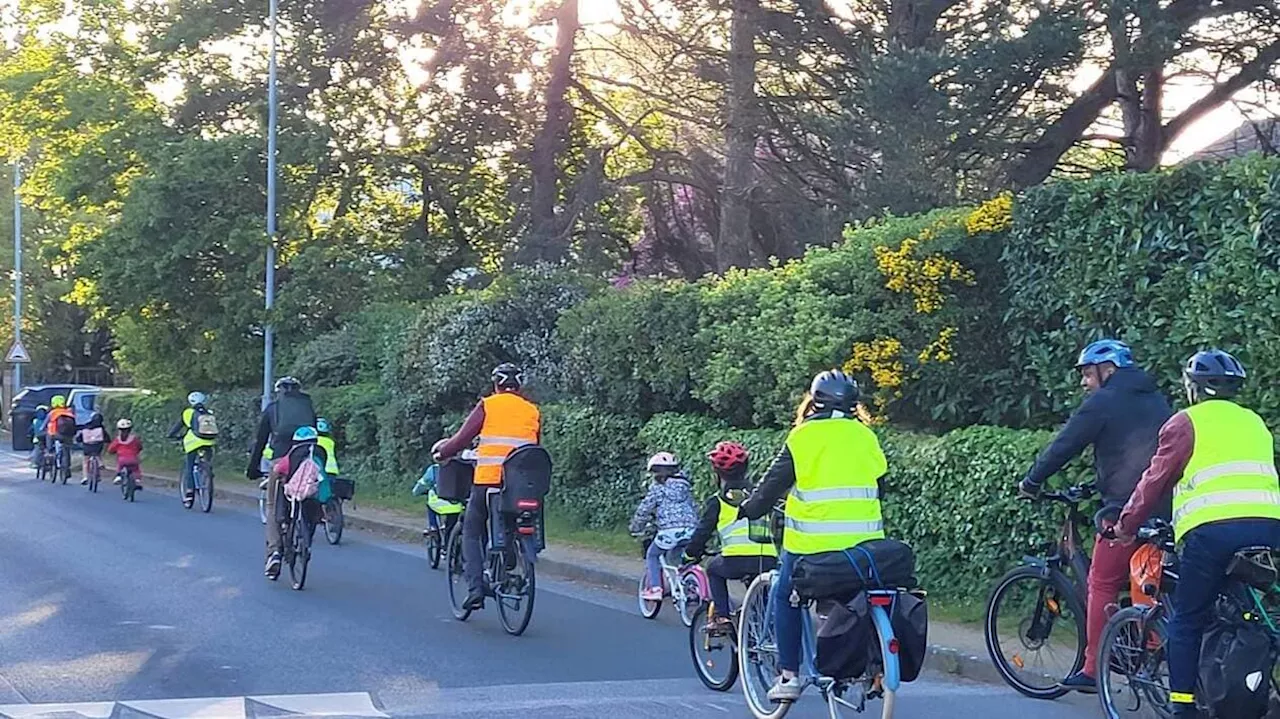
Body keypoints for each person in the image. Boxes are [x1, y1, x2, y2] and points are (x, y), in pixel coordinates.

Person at [1112, 349, 1280, 718]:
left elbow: (1154, 480)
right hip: (1269, 527)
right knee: (1247, 612)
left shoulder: (1184, 423)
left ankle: (1183, 706)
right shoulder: (1254, 422)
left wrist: (1126, 525)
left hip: (1213, 533)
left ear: (1193, 388)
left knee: (1188, 618)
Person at [1016, 338, 1173, 691]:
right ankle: (1147, 645)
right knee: (1146, 580)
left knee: (1100, 582)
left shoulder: (1103, 402)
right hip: (1166, 508)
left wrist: (1032, 481)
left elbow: (1064, 446)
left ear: (1109, 370)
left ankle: (1090, 670)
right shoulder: (1158, 399)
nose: (1084, 383)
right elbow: (1139, 453)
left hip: (1125, 511)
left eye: (1088, 373)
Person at [738, 369, 888, 701]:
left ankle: (789, 676)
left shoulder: (803, 438)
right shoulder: (867, 437)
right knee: (862, 593)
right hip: (866, 547)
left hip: (812, 547)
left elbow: (771, 487)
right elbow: (881, 486)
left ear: (814, 402)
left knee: (783, 594)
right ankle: (876, 669)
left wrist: (749, 508)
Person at [432, 363, 541, 610]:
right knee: (514, 520)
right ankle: (512, 561)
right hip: (522, 485)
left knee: (472, 528)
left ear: (496, 385)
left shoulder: (488, 405)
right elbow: (534, 448)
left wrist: (443, 453)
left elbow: (462, 439)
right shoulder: (532, 410)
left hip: (489, 480)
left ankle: (475, 588)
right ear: (519, 386)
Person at [684, 441, 778, 627]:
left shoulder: (718, 501)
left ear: (717, 473)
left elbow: (702, 533)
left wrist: (689, 554)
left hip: (734, 561)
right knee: (762, 602)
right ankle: (757, 638)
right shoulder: (760, 497)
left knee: (712, 569)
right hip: (767, 559)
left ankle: (722, 615)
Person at [629, 452, 699, 601]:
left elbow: (644, 509)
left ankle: (656, 588)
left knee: (652, 555)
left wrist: (636, 527)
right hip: (691, 529)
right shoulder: (686, 487)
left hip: (669, 531)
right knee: (679, 558)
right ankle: (688, 586)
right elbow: (695, 507)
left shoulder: (658, 489)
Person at [263, 426, 330, 579]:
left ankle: (277, 551)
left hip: (295, 494)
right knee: (312, 515)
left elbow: (280, 469)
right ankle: (307, 545)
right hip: (313, 495)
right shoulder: (320, 452)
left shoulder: (293, 454)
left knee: (279, 507)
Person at [167, 392, 217, 507]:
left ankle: (189, 491)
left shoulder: (188, 412)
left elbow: (178, 426)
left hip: (193, 442)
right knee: (206, 461)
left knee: (189, 466)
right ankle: (208, 473)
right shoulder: (209, 413)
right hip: (209, 441)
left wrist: (171, 435)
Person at [412, 459, 465, 541]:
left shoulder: (434, 469)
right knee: (450, 527)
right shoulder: (461, 468)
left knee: (429, 505)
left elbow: (421, 485)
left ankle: (433, 526)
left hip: (437, 504)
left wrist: (415, 492)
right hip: (456, 506)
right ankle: (449, 546)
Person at [45, 395, 77, 474]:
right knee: (66, 451)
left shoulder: (52, 413)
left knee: (48, 436)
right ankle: (67, 468)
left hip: (55, 434)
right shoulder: (69, 412)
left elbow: (44, 424)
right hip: (68, 436)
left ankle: (50, 453)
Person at [108, 418, 143, 489]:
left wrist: (112, 452)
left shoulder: (118, 440)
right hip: (133, 459)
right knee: (136, 469)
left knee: (119, 466)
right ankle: (137, 480)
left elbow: (110, 449)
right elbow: (140, 446)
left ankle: (118, 476)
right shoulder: (134, 439)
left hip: (122, 460)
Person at [76, 411, 109, 485]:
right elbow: (107, 439)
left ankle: (85, 477)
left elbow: (79, 438)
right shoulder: (101, 428)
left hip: (87, 446)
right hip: (98, 446)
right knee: (97, 453)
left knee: (85, 460)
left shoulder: (86, 427)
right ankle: (100, 465)